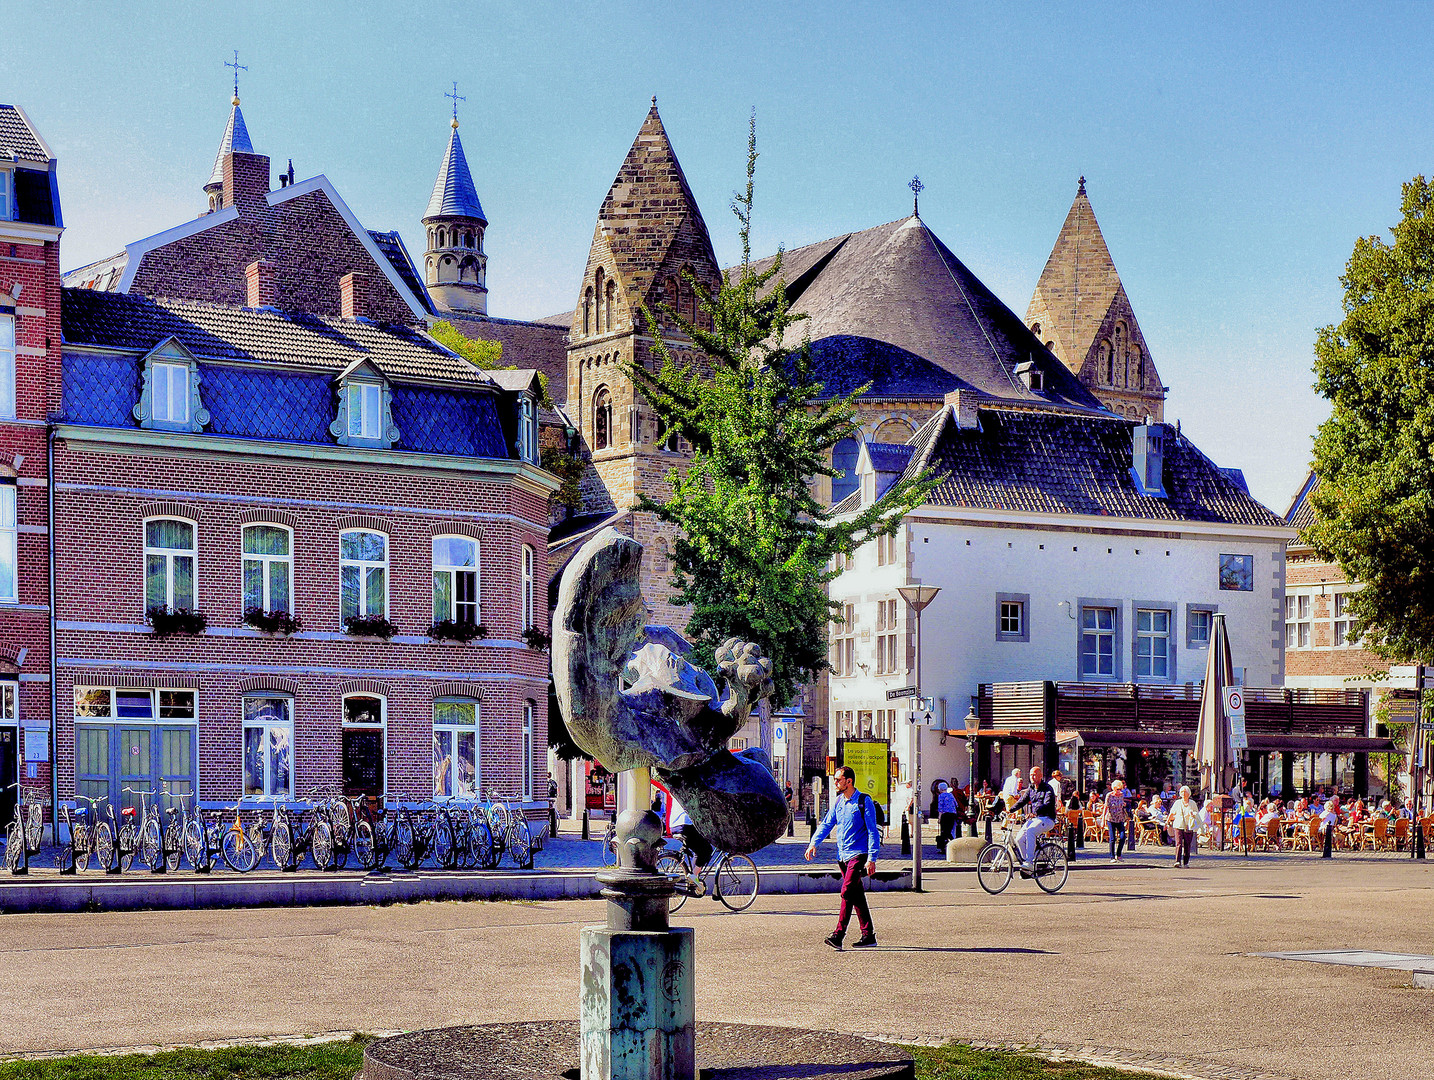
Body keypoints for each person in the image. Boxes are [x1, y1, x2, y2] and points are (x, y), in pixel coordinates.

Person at [806, 765, 880, 950]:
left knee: (847, 891)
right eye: (835, 779)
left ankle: (838, 935)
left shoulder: (864, 801)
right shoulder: (839, 802)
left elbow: (872, 831)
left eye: (838, 779)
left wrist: (872, 858)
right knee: (857, 895)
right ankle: (868, 935)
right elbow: (826, 823)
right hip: (842, 856)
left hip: (858, 854)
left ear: (849, 781)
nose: (835, 782)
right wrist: (814, 843)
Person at [1006, 765, 1058, 872]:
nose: (1032, 777)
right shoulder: (1031, 789)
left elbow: (1047, 804)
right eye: (1030, 775)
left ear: (1040, 776)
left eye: (1034, 775)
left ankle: (1029, 861)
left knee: (1030, 831)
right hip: (1036, 819)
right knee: (1019, 838)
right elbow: (1022, 801)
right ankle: (1027, 865)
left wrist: (1034, 812)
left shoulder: (1048, 788)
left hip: (1047, 819)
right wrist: (1010, 810)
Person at [668, 794, 713, 870]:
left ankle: (693, 875)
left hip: (674, 826)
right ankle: (694, 877)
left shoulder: (676, 791)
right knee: (707, 850)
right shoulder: (691, 792)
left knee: (698, 851)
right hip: (686, 825)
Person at [1168, 785, 1201, 867]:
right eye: (1182, 792)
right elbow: (1172, 813)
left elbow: (1197, 814)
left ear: (1188, 793)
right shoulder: (1177, 803)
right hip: (1178, 825)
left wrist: (1192, 814)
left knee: (1187, 844)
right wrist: (1167, 822)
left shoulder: (1192, 803)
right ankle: (1177, 861)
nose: (1183, 793)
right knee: (1178, 843)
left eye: (1185, 792)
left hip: (1189, 825)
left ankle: (1186, 862)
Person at [1102, 778, 1131, 860]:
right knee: (1112, 838)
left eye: (1120, 789)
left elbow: (1122, 805)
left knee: (1122, 837)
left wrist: (1124, 805)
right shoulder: (1109, 795)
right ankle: (1112, 856)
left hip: (1120, 818)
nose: (1119, 791)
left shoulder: (1121, 795)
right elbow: (1106, 807)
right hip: (1111, 819)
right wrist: (1103, 819)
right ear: (1114, 788)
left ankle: (1118, 854)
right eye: (1117, 789)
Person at [935, 782, 958, 848]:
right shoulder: (951, 795)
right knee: (951, 829)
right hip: (953, 814)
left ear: (940, 789)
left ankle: (945, 845)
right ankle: (952, 842)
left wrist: (939, 818)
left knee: (944, 831)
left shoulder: (941, 796)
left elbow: (940, 808)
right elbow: (956, 804)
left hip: (945, 815)